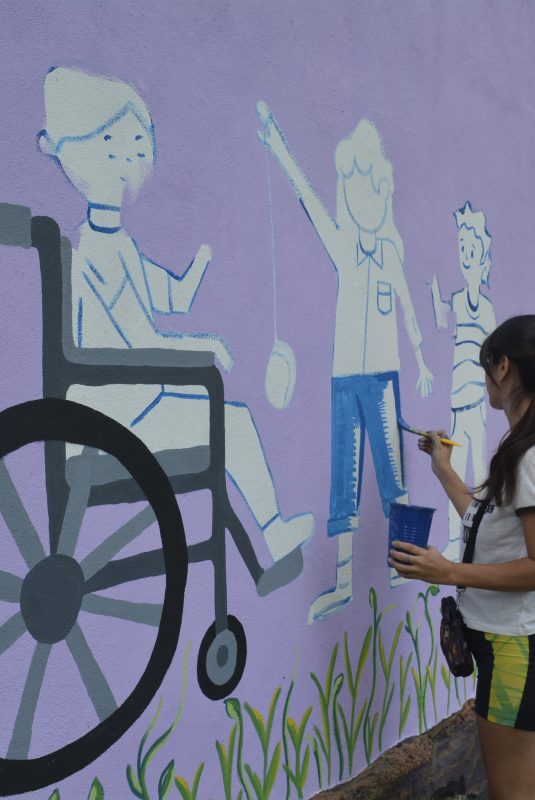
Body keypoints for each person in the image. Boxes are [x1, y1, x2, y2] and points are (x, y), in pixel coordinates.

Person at [38, 67, 314, 565]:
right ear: (65, 150)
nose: (126, 158)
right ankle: (271, 535)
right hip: (113, 419)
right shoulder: (90, 254)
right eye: (109, 143)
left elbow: (174, 298)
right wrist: (199, 349)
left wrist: (206, 257)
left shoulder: (119, 245)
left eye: (135, 145)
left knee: (233, 420)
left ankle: (271, 538)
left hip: (140, 404)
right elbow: (123, 347)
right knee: (233, 423)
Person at [257, 102, 434, 621]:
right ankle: (341, 581)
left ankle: (401, 562)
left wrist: (422, 360)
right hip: (344, 382)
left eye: (374, 188)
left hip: (382, 379)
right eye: (356, 188)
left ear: (386, 191)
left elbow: (408, 307)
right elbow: (308, 200)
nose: (366, 198)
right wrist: (278, 145)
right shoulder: (343, 246)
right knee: (345, 482)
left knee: (393, 470)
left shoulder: (390, 253)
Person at [390, 315, 535, 800]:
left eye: (484, 367)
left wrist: (448, 571)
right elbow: (491, 524)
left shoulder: (529, 455)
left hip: (513, 648)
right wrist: (443, 469)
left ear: (502, 366)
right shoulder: (521, 447)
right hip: (505, 644)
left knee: (512, 791)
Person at [431, 201, 496, 561]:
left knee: (480, 473)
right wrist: (432, 289)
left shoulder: (485, 309)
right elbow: (442, 319)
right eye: (462, 249)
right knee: (454, 471)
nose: (466, 256)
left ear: (483, 258)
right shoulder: (457, 299)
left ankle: (480, 542)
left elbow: (494, 351)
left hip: (476, 404)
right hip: (458, 403)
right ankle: (455, 541)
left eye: (472, 249)